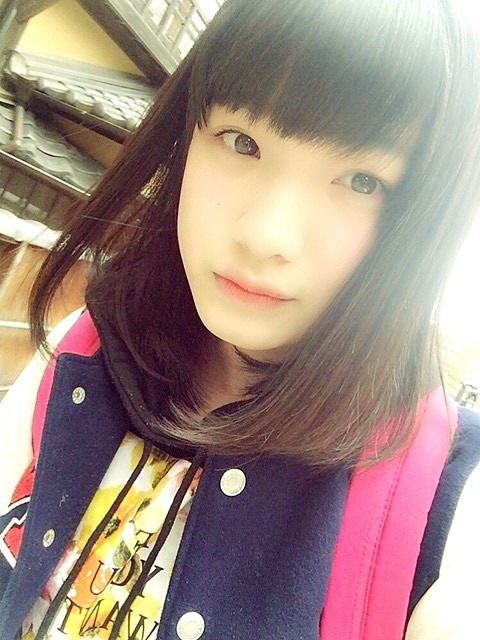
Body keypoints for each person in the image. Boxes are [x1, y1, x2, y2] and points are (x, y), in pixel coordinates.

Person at [1, 0, 480, 637]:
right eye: (241, 141)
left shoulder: (446, 510)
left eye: (362, 181)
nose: (265, 236)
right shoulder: (81, 351)